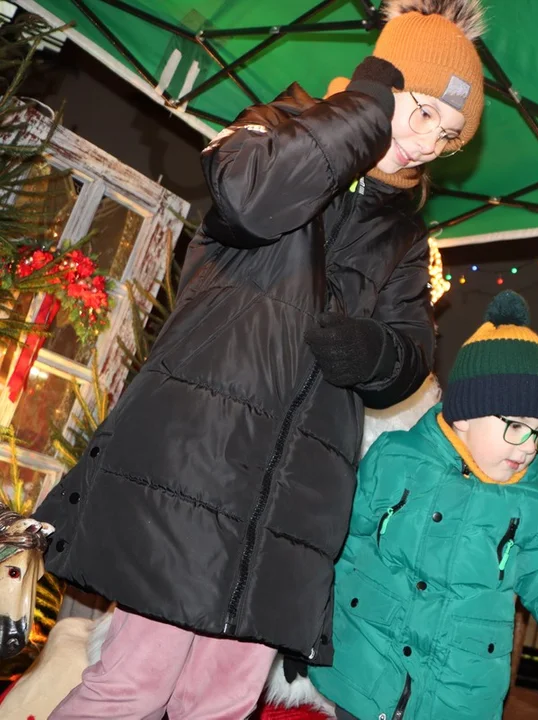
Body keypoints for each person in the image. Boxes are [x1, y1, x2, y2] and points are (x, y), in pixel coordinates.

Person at [37, 0, 489, 716]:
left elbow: (410, 356)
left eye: (453, 133)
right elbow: (252, 200)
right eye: (425, 111)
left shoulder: (403, 236)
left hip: (296, 502)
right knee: (132, 686)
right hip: (196, 471)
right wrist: (367, 107)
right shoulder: (271, 131)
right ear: (381, 83)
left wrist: (371, 352)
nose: (433, 141)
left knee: (217, 703)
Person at [301, 291, 538, 720]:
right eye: (516, 427)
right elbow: (334, 545)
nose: (528, 447)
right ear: (466, 413)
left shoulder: (537, 507)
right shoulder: (396, 459)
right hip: (358, 682)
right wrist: (300, 631)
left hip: (456, 703)